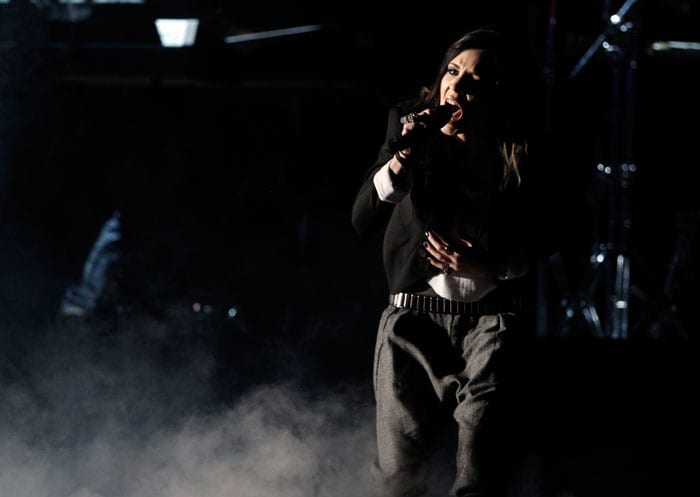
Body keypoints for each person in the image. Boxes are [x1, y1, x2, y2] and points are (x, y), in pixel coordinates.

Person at [351, 27, 537, 497]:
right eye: (452, 72)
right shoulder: (408, 123)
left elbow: (545, 236)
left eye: (475, 80)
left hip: (490, 324)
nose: (457, 86)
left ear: (497, 94)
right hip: (412, 317)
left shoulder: (517, 146)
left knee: (481, 474)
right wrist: (405, 155)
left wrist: (489, 266)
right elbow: (363, 217)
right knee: (399, 476)